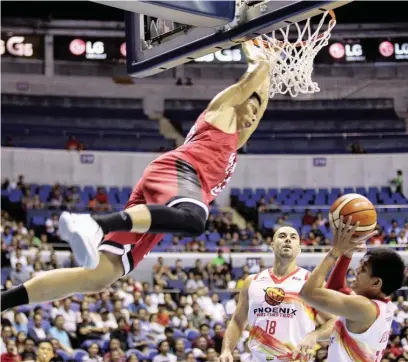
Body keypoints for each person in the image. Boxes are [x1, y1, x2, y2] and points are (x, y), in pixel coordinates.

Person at [1, 40, 272, 312]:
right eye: (251, 106)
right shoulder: (221, 112)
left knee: (100, 276)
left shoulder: (234, 142)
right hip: (178, 171)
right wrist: (258, 51)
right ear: (240, 100)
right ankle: (95, 224)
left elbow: (259, 102)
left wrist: (271, 75)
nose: (253, 115)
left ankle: (4, 301)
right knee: (193, 219)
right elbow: (254, 76)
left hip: (173, 190)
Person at [219, 226, 336, 362]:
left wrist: (314, 335)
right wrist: (226, 350)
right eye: (282, 236)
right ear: (272, 245)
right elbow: (237, 321)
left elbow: (334, 321)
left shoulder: (310, 282)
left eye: (293, 237)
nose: (287, 239)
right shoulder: (252, 281)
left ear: (299, 248)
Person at [299, 216, 406, 361]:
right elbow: (335, 289)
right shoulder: (378, 305)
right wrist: (347, 254)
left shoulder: (365, 307)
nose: (356, 270)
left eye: (363, 269)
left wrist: (335, 251)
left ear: (376, 283)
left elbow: (307, 293)